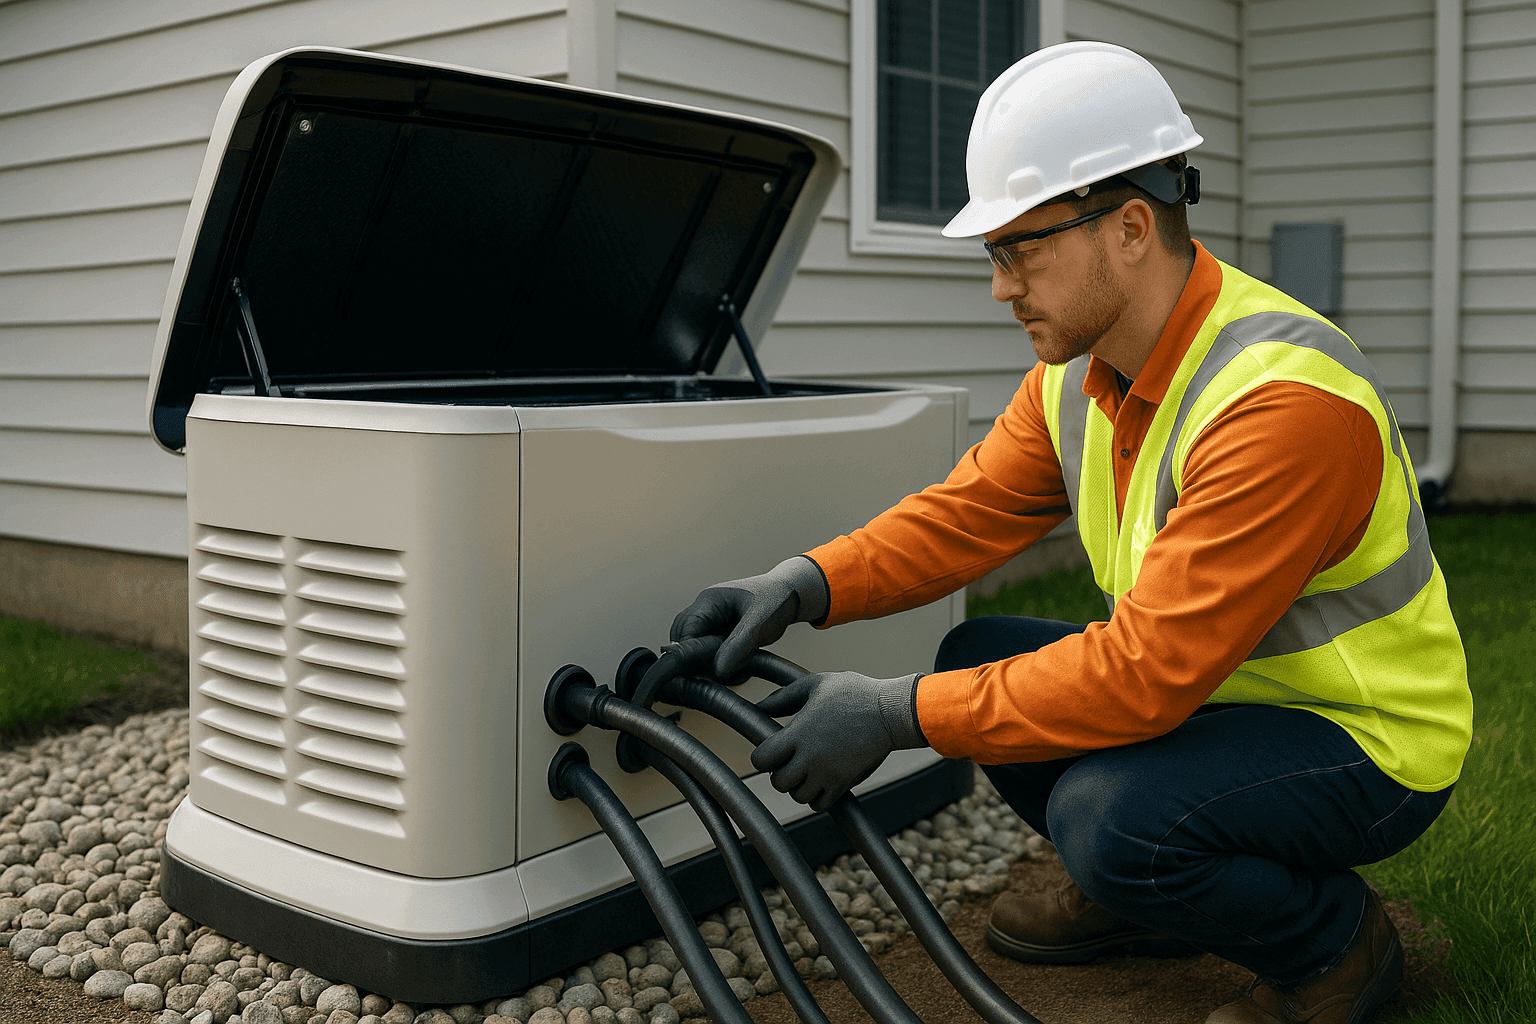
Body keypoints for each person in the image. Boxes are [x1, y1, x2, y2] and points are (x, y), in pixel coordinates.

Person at [670, 40, 1472, 1024]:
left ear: (1131, 226)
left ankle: (1335, 947)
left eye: (1021, 250)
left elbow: (1145, 675)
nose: (1001, 286)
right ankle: (1152, 899)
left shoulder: (1280, 401)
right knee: (978, 652)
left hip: (1361, 739)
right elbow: (967, 513)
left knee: (1109, 818)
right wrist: (797, 583)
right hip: (1223, 696)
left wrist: (890, 712)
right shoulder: (1076, 376)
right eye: (994, 255)